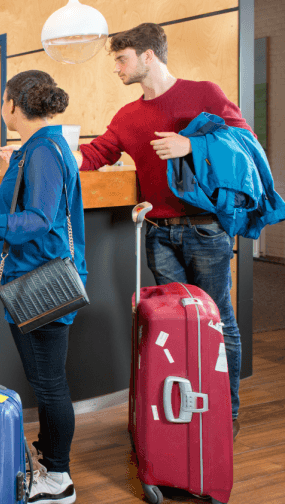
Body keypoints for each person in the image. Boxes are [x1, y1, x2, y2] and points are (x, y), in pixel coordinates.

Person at [73, 23, 251, 440]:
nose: (117, 68)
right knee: (178, 325)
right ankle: (188, 409)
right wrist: (46, 149)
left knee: (218, 320)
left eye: (122, 59)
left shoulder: (204, 93)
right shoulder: (127, 116)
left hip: (207, 231)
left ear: (148, 56)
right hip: (158, 234)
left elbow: (245, 142)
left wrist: (193, 146)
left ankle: (228, 414)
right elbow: (95, 155)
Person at [0, 70, 86, 504]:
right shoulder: (38, 148)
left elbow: (39, 220)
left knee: (49, 385)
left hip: (42, 282)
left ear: (13, 104)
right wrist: (10, 168)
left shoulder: (44, 151)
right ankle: (49, 457)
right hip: (32, 278)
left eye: (3, 100)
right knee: (45, 380)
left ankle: (59, 480)